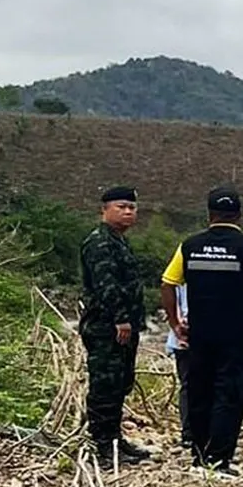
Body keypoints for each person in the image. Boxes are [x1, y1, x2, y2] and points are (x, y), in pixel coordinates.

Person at [160, 186, 243, 475]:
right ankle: (219, 460)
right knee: (230, 395)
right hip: (240, 337)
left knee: (200, 392)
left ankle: (199, 456)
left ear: (210, 214)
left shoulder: (189, 245)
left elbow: (167, 284)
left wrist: (175, 324)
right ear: (239, 215)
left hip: (200, 334)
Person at [79, 185, 150, 464]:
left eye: (132, 208)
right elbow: (105, 284)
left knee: (121, 383)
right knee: (105, 385)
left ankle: (116, 440)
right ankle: (102, 447)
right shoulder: (99, 241)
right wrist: (120, 317)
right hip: (106, 326)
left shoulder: (118, 240)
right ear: (104, 209)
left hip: (124, 326)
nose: (128, 212)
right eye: (121, 207)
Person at [166, 283, 190, 449]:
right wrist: (176, 325)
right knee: (188, 385)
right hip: (184, 336)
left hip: (211, 334)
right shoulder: (180, 270)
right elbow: (168, 291)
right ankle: (189, 433)